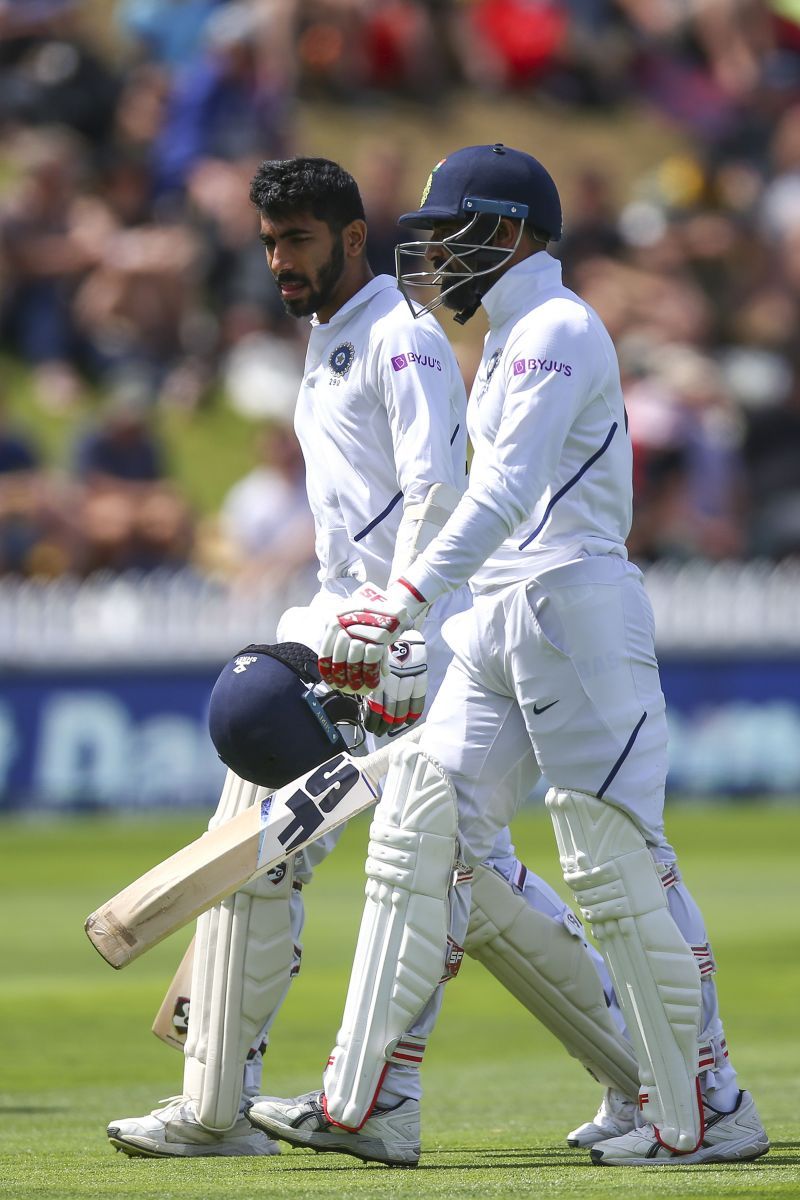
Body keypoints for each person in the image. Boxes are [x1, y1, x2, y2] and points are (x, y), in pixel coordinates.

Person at [106, 156, 641, 1163]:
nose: (280, 263)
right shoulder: (328, 340)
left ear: (353, 237)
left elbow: (437, 491)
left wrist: (396, 632)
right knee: (339, 863)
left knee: (389, 870)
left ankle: (649, 1079)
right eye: (268, 244)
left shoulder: (400, 337)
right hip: (338, 631)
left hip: (397, 649)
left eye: (299, 241)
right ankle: (217, 1112)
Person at [247, 145, 770, 1167]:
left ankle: (705, 1105)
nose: (434, 255)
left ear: (509, 230)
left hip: (568, 602)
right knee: (416, 837)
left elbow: (498, 496)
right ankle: (371, 1103)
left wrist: (400, 599)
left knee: (616, 861)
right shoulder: (512, 335)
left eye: (451, 234)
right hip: (501, 612)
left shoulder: (555, 329)